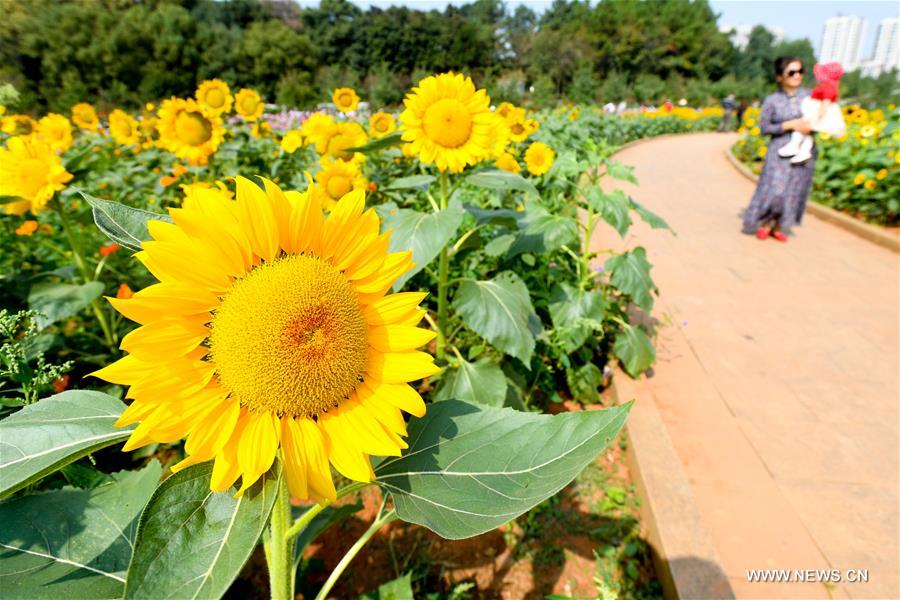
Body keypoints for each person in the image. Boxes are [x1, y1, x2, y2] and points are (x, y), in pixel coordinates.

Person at [741, 57, 817, 243]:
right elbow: (764, 128)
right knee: (775, 188)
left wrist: (812, 126)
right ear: (779, 77)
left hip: (804, 150)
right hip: (779, 150)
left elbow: (822, 118)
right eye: (791, 72)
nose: (797, 76)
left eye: (800, 71)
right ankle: (765, 222)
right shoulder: (772, 100)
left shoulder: (810, 97)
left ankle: (779, 225)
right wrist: (788, 125)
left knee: (793, 189)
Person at [778, 61, 846, 163]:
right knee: (807, 134)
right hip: (816, 113)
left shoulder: (828, 88)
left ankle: (795, 146)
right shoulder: (829, 86)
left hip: (818, 114)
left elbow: (825, 104)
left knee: (801, 130)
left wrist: (817, 117)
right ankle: (802, 151)